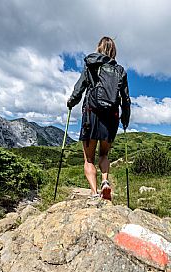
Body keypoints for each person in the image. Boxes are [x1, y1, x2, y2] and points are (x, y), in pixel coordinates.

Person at [67, 36, 131, 200]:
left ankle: (95, 193)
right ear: (113, 51)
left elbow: (80, 87)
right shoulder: (120, 70)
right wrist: (125, 118)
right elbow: (125, 98)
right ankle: (105, 182)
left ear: (99, 48)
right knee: (104, 155)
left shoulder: (91, 64)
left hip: (91, 114)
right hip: (111, 117)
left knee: (89, 158)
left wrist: (71, 102)